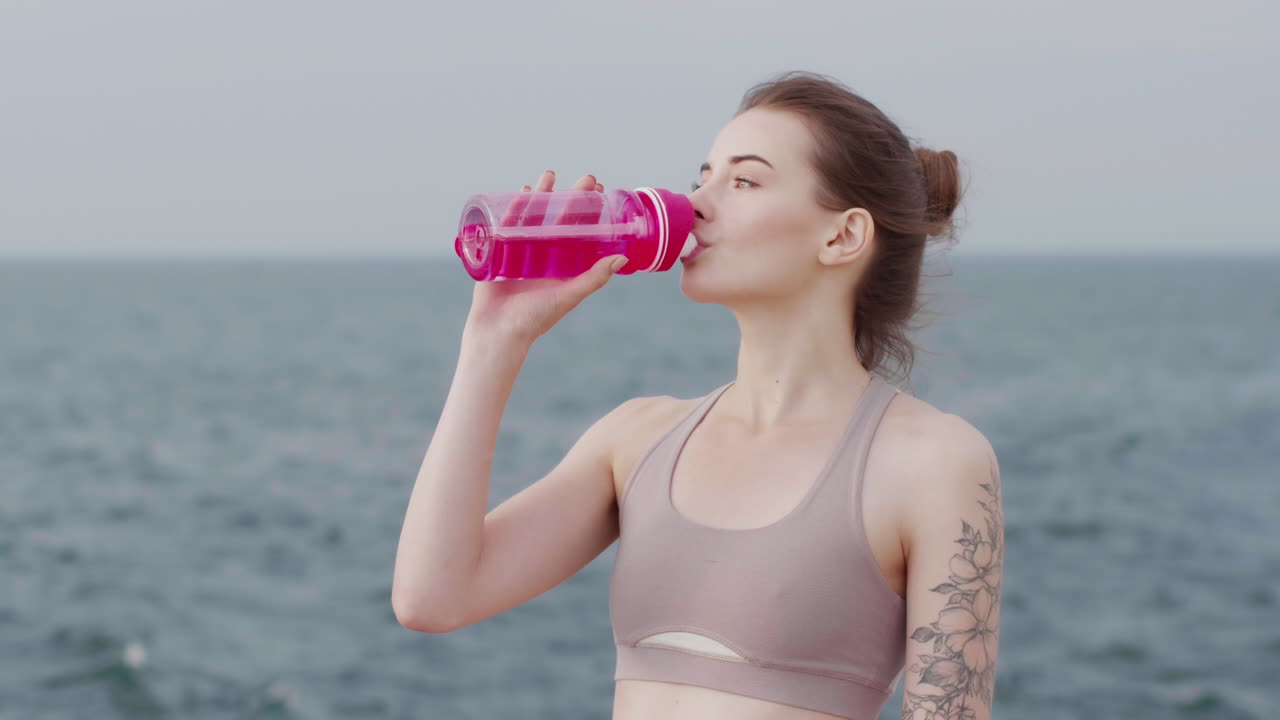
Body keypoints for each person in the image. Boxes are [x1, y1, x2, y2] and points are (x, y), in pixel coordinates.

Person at [392, 70, 1004, 720]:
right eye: (702, 176)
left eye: (743, 180)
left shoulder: (933, 462)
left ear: (842, 236)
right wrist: (493, 342)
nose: (696, 203)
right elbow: (433, 598)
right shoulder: (636, 439)